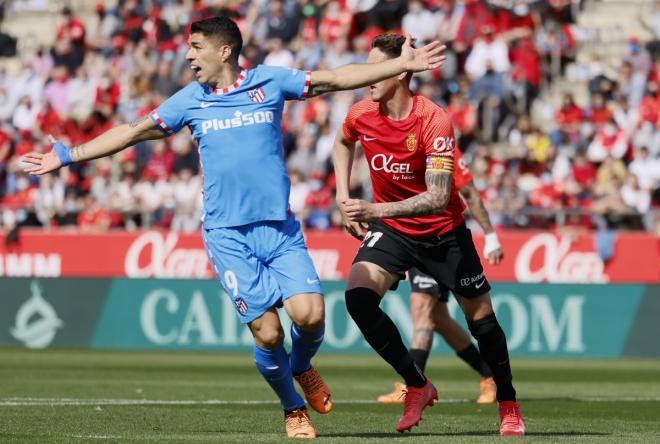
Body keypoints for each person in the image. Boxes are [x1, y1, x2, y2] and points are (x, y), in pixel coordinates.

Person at [22, 17, 446, 439]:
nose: (188, 55)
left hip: (278, 229)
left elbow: (336, 78)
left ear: (224, 51)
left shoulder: (269, 82)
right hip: (227, 236)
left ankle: (301, 367)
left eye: (196, 47)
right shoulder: (191, 100)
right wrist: (70, 155)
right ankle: (293, 408)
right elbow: (133, 131)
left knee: (312, 317)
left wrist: (398, 66)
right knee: (268, 331)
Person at [333, 34, 525, 436]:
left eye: (376, 69)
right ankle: (418, 384)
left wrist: (372, 209)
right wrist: (342, 195)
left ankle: (507, 400)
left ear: (400, 73)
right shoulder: (360, 113)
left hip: (444, 232)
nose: (368, 76)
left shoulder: (434, 119)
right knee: (358, 298)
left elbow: (438, 197)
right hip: (393, 230)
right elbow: (342, 142)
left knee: (482, 322)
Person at [377, 147, 503, 406]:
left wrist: (490, 236)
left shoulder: (443, 149)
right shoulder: (400, 145)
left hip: (441, 242)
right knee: (440, 319)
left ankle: (411, 386)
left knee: (423, 309)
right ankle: (489, 376)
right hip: (410, 238)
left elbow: (469, 191)